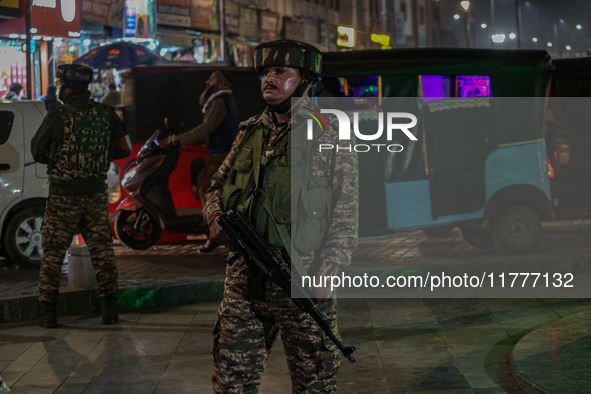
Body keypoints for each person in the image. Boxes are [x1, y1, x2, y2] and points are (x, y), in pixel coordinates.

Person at [203, 40, 358, 393]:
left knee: (314, 386)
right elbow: (215, 186)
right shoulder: (248, 133)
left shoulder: (329, 135)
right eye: (265, 73)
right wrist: (213, 216)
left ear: (304, 80)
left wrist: (326, 272)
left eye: (280, 72)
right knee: (230, 384)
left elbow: (346, 219)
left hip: (303, 279)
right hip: (245, 284)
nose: (268, 79)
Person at [31, 64, 131, 328]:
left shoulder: (57, 116)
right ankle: (109, 312)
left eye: (61, 84)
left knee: (52, 255)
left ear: (67, 87)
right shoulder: (106, 115)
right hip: (95, 197)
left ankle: (47, 315)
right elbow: (123, 148)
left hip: (63, 197)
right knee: (103, 255)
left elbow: (37, 152)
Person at [167, 70, 240, 253]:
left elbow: (207, 128)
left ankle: (216, 234)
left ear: (221, 84)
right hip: (218, 153)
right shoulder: (217, 101)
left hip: (223, 155)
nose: (207, 82)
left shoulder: (220, 102)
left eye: (212, 79)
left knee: (207, 189)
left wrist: (180, 138)